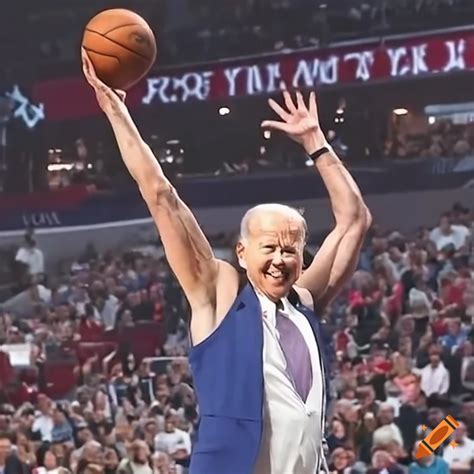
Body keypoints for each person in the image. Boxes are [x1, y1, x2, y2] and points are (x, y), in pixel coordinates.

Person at [82, 49, 371, 474]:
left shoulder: (305, 301)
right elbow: (162, 197)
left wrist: (316, 143)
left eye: (290, 248)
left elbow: (354, 220)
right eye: (268, 247)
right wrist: (116, 112)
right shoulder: (217, 294)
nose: (279, 259)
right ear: (241, 252)